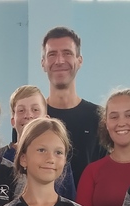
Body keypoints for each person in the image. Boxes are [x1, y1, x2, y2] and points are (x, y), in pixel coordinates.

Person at [41, 26, 105, 186]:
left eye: (67, 53)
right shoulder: (32, 118)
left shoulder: (100, 117)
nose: (59, 61)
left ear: (79, 61)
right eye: (52, 54)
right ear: (43, 63)